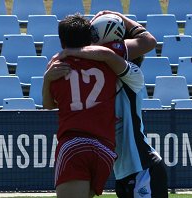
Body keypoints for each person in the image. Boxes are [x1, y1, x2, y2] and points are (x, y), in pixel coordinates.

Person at [51, 11, 169, 197]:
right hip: (123, 173)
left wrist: (117, 16)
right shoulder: (101, 71)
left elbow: (146, 41)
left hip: (143, 167)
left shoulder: (132, 74)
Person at [42, 14, 133, 198]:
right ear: (91, 37)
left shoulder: (57, 67)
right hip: (105, 149)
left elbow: (48, 105)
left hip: (74, 145)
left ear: (62, 42)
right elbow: (147, 41)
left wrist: (46, 80)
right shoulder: (108, 59)